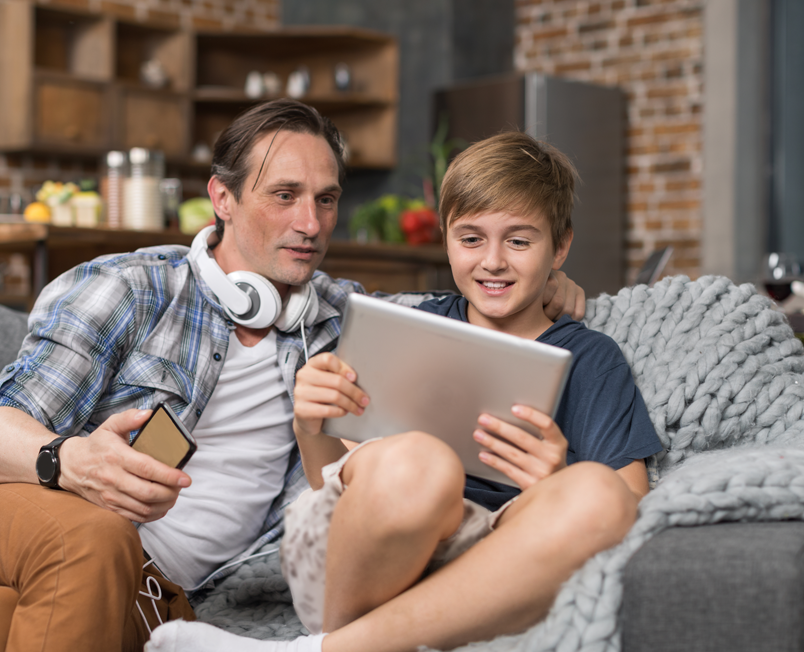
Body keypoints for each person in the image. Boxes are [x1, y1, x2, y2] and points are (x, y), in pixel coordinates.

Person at [0, 103, 586, 652]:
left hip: (152, 596)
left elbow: (476, 298)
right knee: (94, 534)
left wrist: (546, 284)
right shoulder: (131, 288)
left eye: (326, 199)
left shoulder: (344, 323)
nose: (310, 222)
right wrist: (70, 458)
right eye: (284, 195)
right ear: (221, 199)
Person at [147, 131, 663, 652]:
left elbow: (629, 510)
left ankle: (323, 649)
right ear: (445, 240)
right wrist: (310, 424)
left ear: (561, 246)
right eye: (470, 239)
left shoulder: (591, 359)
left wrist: (555, 478)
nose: (493, 262)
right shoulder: (411, 325)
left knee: (599, 495)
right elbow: (336, 476)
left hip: (500, 558)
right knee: (418, 463)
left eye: (520, 241)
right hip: (369, 545)